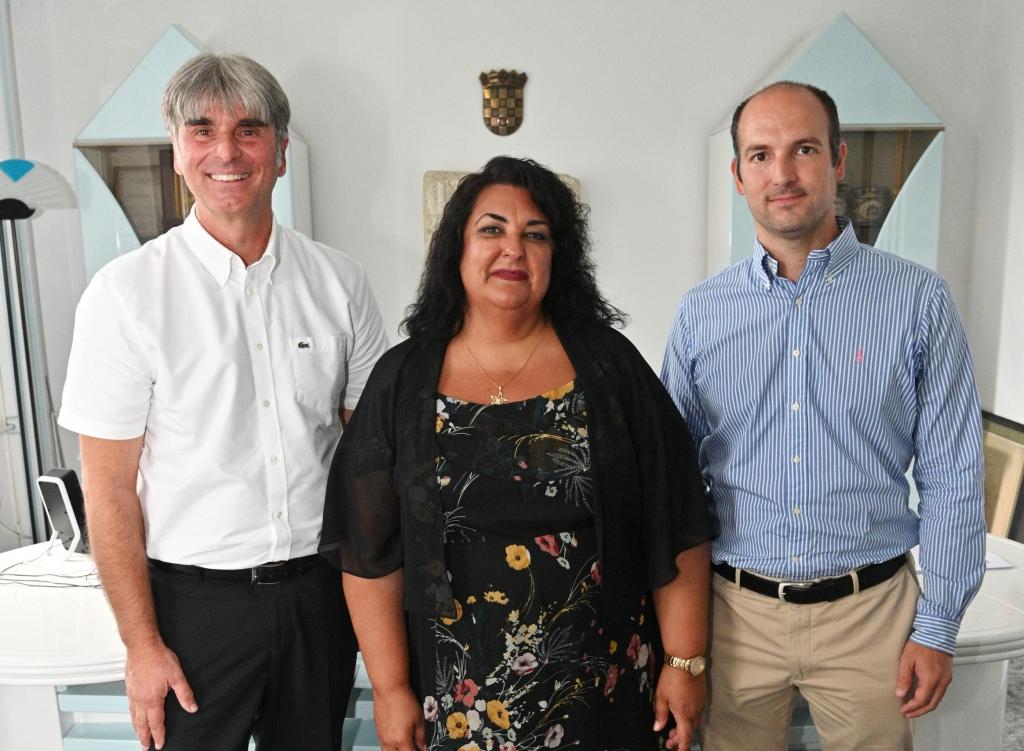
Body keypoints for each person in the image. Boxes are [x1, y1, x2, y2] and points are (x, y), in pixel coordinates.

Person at [320, 156, 713, 751]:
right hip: (458, 698)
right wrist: (391, 687)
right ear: (457, 248)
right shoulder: (401, 379)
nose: (514, 249)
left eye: (536, 235)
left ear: (559, 256)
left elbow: (676, 517)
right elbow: (368, 551)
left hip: (603, 685)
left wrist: (685, 662)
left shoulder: (610, 367)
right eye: (492, 229)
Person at [58, 53, 388, 751]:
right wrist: (142, 645)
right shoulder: (124, 296)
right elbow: (108, 488)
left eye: (249, 130)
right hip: (192, 611)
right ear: (178, 153)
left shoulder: (342, 283)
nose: (226, 152)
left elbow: (370, 462)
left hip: (318, 596)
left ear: (281, 152)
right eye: (202, 130)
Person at [661, 81, 986, 750]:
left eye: (803, 149)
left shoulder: (918, 301)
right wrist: (679, 648)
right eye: (761, 155)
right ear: (738, 175)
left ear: (837, 160)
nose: (781, 173)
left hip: (873, 616)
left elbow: (954, 471)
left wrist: (938, 626)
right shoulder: (700, 314)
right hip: (734, 615)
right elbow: (671, 485)